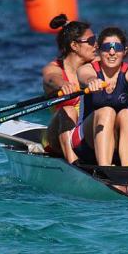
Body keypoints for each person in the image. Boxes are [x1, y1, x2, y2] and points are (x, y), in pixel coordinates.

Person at [73, 27, 128, 166]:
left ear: (125, 51)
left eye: (117, 48)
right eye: (107, 47)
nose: (112, 52)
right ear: (99, 49)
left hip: (114, 142)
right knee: (106, 111)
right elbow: (85, 76)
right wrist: (92, 81)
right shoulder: (88, 69)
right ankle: (105, 168)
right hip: (85, 144)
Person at [41, 14, 103, 163]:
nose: (96, 45)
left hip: (86, 134)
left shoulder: (98, 65)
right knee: (68, 110)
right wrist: (63, 84)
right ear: (74, 46)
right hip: (55, 140)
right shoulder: (54, 68)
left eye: (96, 39)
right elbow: (50, 78)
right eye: (91, 41)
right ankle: (73, 163)